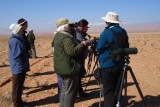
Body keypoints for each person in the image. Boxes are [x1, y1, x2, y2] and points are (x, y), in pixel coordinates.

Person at [54, 18, 94, 107]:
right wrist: (84, 43)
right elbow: (72, 51)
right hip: (69, 69)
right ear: (65, 26)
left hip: (63, 68)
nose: (71, 27)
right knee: (70, 93)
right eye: (69, 25)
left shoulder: (58, 35)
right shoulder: (65, 36)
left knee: (65, 90)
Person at [96, 12, 129, 107]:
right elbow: (126, 45)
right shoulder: (123, 31)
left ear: (107, 22)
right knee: (118, 88)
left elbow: (99, 48)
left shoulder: (106, 32)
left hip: (107, 64)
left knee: (108, 90)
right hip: (121, 64)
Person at [8, 22, 30, 107]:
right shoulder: (15, 40)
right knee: (17, 88)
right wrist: (21, 67)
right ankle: (17, 105)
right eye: (21, 29)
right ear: (17, 30)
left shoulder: (18, 39)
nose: (23, 30)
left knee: (19, 87)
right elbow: (17, 56)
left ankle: (19, 103)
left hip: (20, 67)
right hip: (18, 68)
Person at [75, 19, 91, 97]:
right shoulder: (78, 33)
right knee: (78, 75)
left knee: (79, 75)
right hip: (78, 57)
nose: (87, 28)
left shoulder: (80, 32)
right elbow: (81, 43)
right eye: (86, 27)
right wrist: (90, 41)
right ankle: (79, 93)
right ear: (82, 26)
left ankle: (79, 92)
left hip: (80, 56)